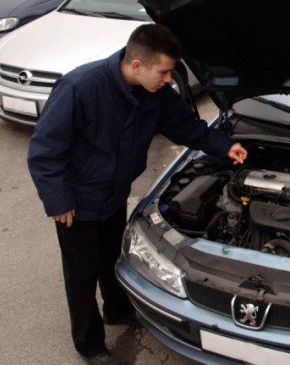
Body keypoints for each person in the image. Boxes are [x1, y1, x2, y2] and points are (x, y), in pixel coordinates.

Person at [28, 24, 247, 364]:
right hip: (77, 203)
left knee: (110, 257)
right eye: (162, 72)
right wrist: (58, 201)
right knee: (81, 274)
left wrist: (225, 145)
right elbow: (44, 150)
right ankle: (90, 345)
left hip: (114, 194)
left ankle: (116, 310)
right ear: (136, 66)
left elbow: (187, 127)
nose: (167, 79)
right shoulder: (80, 87)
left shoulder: (156, 94)